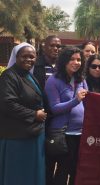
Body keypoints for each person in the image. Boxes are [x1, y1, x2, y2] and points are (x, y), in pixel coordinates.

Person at [0, 43, 47, 185]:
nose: (29, 60)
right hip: (17, 137)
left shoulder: (29, 75)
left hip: (33, 134)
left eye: (32, 57)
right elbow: (7, 104)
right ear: (16, 57)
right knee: (18, 175)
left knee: (31, 173)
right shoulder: (9, 76)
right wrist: (34, 114)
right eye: (24, 56)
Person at [45, 47, 88, 185]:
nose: (76, 62)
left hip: (80, 133)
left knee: (77, 170)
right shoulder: (53, 80)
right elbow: (54, 108)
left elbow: (87, 102)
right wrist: (75, 100)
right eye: (72, 59)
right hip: (63, 133)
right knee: (63, 171)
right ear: (64, 61)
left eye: (79, 59)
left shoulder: (81, 79)